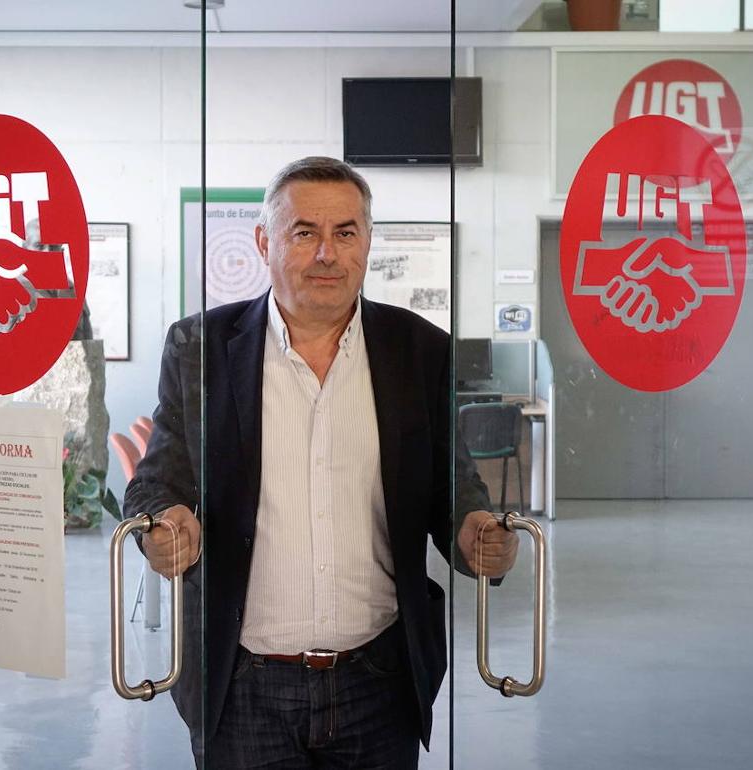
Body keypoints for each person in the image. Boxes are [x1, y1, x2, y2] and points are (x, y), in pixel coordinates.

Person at [123, 156, 519, 769]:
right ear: (264, 243)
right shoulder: (200, 348)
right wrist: (164, 523)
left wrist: (474, 530)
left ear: (367, 242)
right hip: (242, 685)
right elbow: (157, 480)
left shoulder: (419, 351)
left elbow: (451, 484)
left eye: (346, 232)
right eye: (304, 232)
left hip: (379, 682)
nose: (327, 254)